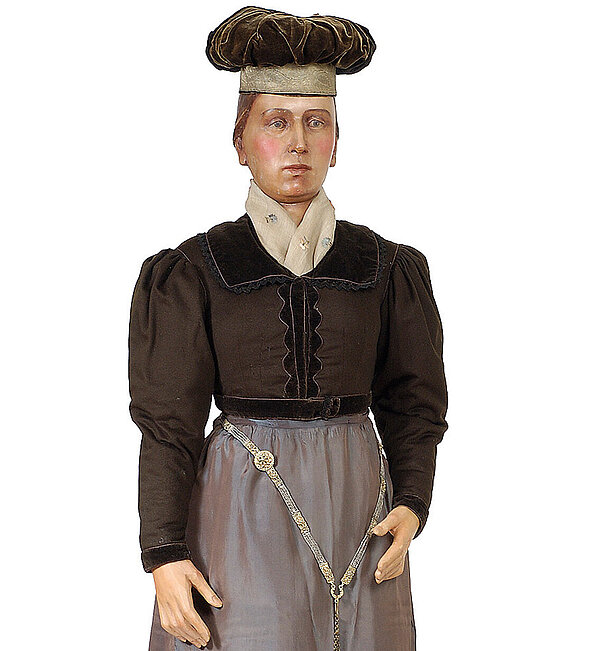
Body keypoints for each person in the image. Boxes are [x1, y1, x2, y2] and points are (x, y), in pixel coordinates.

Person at [128, 6, 449, 650]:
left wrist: (413, 500)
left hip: (362, 512)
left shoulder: (387, 267)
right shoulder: (193, 271)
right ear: (240, 141)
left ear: (337, 139)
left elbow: (415, 402)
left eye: (316, 121)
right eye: (277, 121)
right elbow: (169, 425)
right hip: (241, 506)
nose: (298, 143)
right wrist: (163, 552)